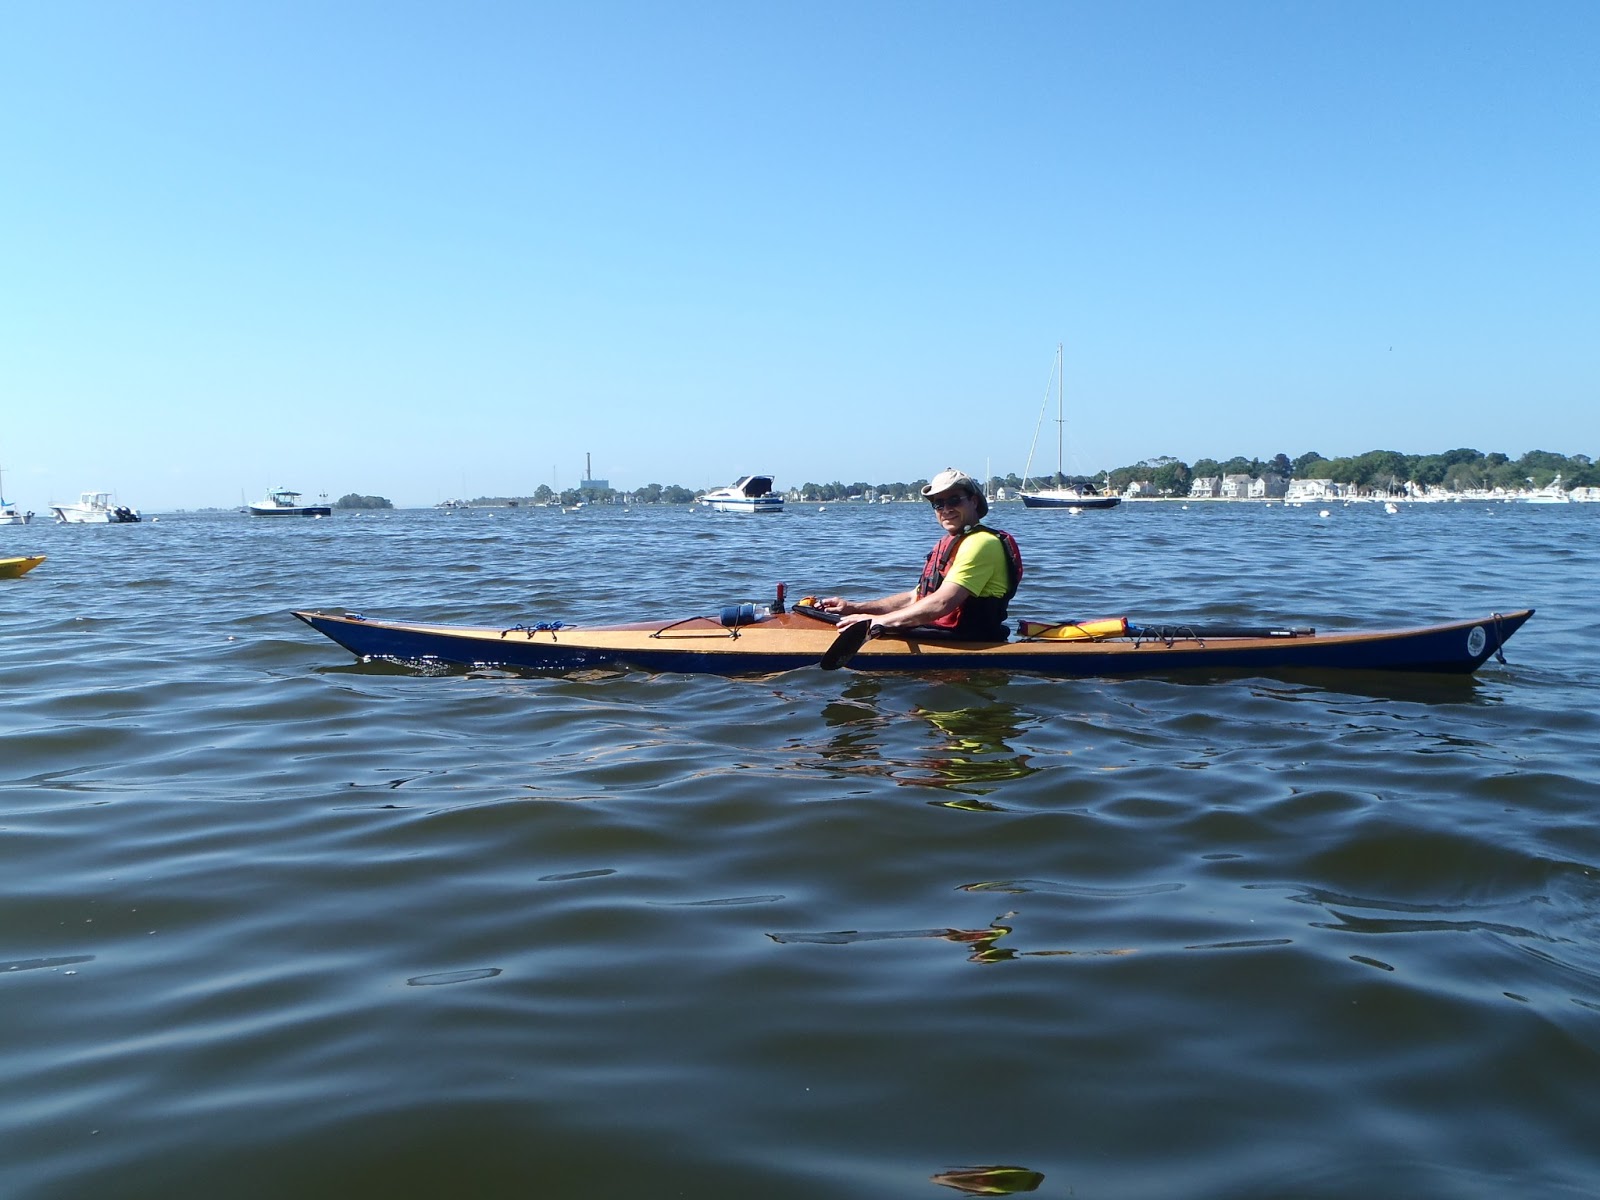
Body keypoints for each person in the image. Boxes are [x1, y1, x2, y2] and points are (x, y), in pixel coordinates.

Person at [821, 468, 1023, 641]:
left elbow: (942, 603)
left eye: (954, 500)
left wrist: (877, 622)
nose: (946, 509)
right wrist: (854, 608)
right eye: (938, 504)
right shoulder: (952, 543)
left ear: (974, 501)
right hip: (943, 634)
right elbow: (915, 598)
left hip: (970, 640)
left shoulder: (981, 543)